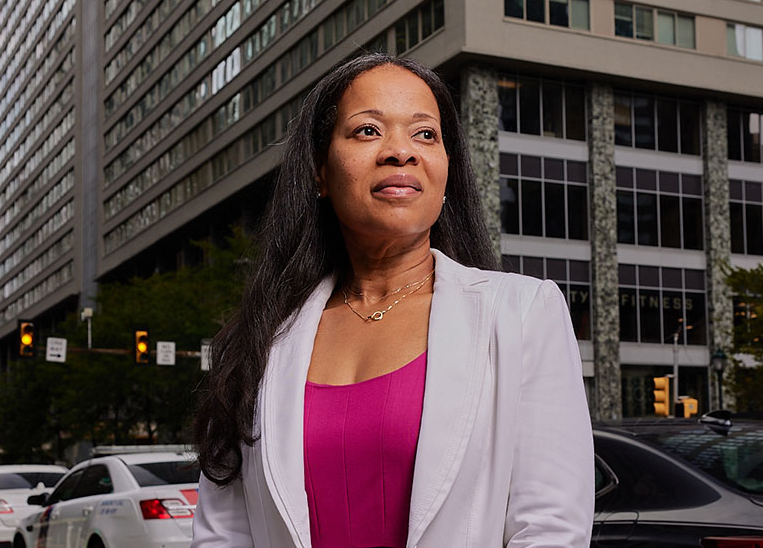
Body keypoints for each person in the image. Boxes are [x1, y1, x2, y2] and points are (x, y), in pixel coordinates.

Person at [192, 53, 594, 547]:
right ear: (320, 171)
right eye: (367, 131)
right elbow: (224, 534)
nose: (400, 152)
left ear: (447, 172)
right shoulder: (259, 339)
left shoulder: (522, 315)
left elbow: (551, 530)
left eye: (425, 134)